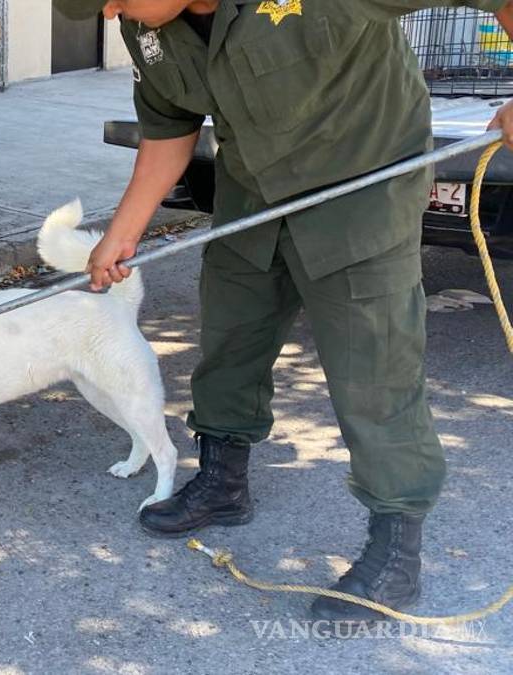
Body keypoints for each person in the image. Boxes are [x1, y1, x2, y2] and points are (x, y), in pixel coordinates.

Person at [58, 0, 513, 625]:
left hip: (361, 198)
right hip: (255, 197)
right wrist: (122, 232)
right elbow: (169, 130)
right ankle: (225, 482)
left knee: (373, 371)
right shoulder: (146, 27)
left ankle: (396, 551)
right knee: (230, 340)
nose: (110, 11)